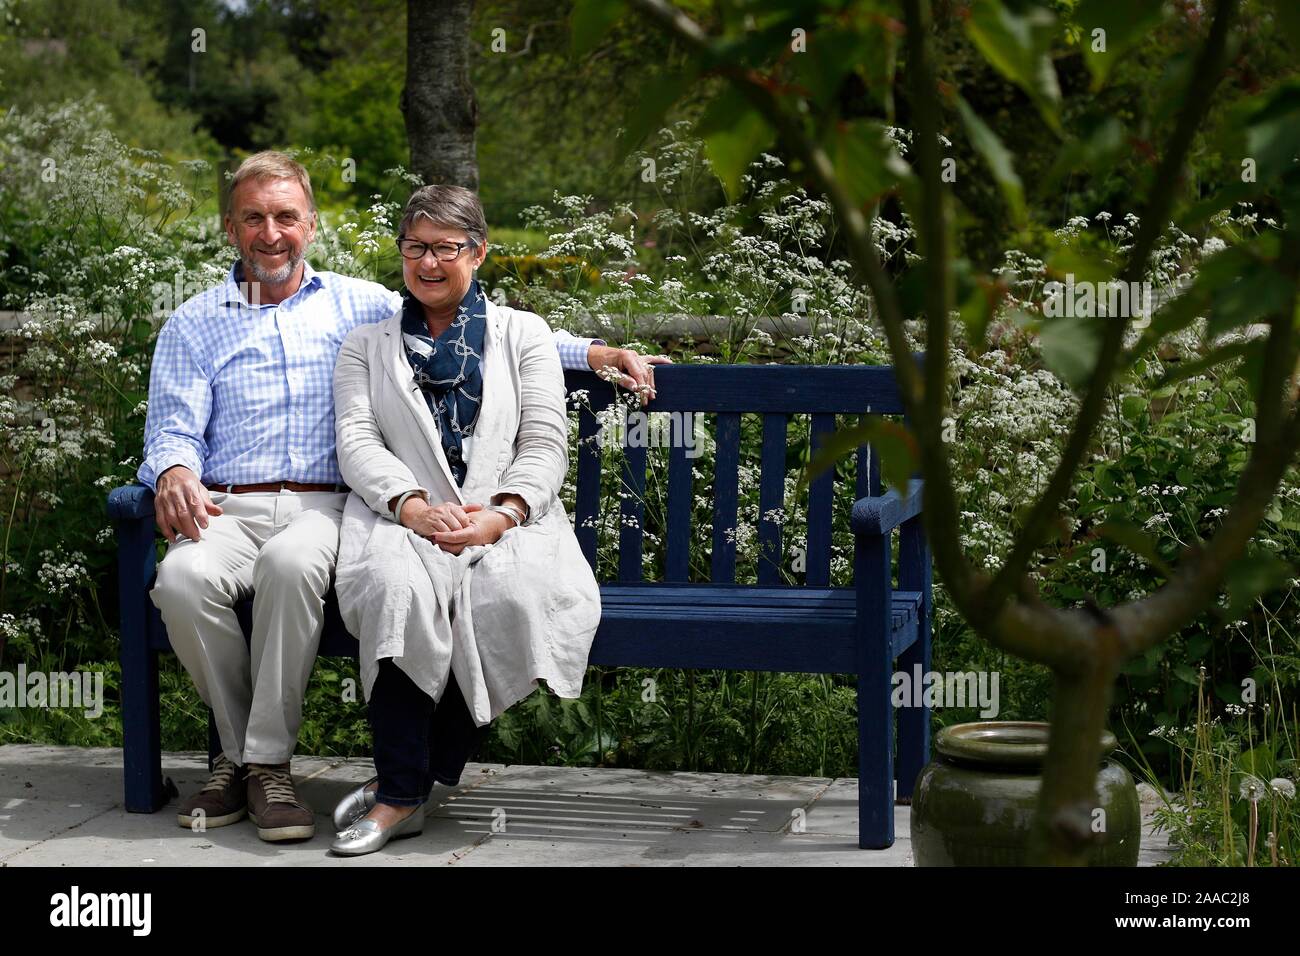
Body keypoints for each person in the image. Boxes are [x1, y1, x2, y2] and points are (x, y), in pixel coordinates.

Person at [141, 151, 665, 842]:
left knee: (293, 567)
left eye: (286, 217)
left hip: (323, 508)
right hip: (230, 506)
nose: (271, 233)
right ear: (229, 229)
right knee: (178, 578)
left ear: (311, 225)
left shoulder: (358, 305)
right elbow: (171, 428)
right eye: (254, 218)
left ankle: (261, 765)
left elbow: (474, 318)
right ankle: (247, 759)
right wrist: (174, 468)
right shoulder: (194, 321)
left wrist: (595, 353)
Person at [327, 184, 600, 856]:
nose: (427, 262)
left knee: (511, 595)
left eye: (445, 248)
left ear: (477, 253)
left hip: (509, 519)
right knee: (397, 589)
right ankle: (398, 795)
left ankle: (419, 780)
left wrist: (502, 515)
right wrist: (413, 507)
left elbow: (543, 440)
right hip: (399, 519)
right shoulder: (366, 345)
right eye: (414, 247)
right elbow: (357, 440)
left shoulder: (523, 334)